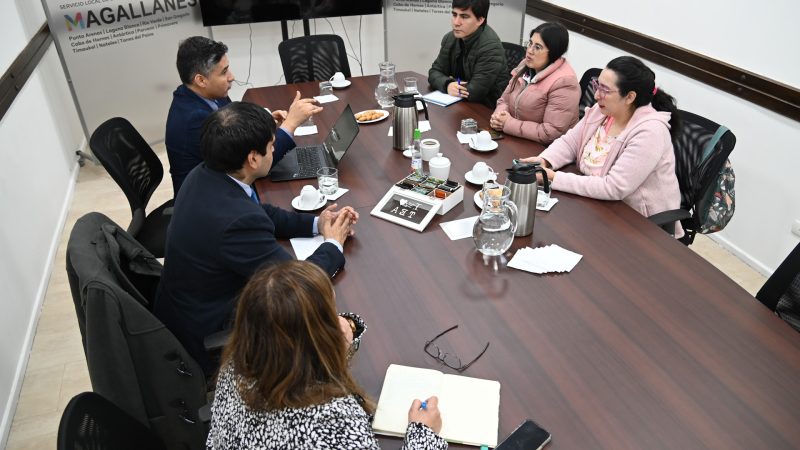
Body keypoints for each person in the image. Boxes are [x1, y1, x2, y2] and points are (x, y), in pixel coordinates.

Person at [155, 102, 358, 373]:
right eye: (272, 146)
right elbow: (293, 285)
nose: (275, 150)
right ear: (253, 159)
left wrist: (316, 224)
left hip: (187, 306)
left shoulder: (206, 175)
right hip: (210, 332)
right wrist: (333, 243)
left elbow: (260, 212)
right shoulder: (236, 222)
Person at [207, 261, 448, 450]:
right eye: (332, 314)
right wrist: (423, 433)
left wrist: (339, 338)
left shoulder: (237, 363)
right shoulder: (333, 422)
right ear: (318, 338)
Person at [522, 56, 683, 236]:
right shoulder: (603, 111)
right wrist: (545, 160)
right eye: (597, 85)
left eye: (605, 90)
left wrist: (552, 178)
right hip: (595, 205)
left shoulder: (650, 132)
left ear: (630, 97)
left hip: (636, 223)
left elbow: (613, 187)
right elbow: (571, 142)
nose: (596, 95)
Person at [165, 36, 322, 195]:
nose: (231, 77)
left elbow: (236, 122)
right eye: (224, 72)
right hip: (208, 197)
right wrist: (290, 125)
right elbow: (248, 165)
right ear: (201, 80)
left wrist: (265, 122)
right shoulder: (195, 119)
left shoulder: (204, 93)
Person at [490, 22, 580, 144]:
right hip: (516, 137)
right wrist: (498, 117)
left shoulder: (564, 82)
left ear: (553, 52)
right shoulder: (525, 65)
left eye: (537, 47)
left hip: (544, 148)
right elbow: (504, 100)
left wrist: (508, 124)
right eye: (530, 43)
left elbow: (551, 132)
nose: (529, 51)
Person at [427, 0, 509, 107]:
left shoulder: (491, 48)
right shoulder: (450, 38)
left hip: (486, 108)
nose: (456, 22)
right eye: (454, 15)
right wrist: (448, 84)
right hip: (459, 104)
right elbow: (434, 72)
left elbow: (475, 92)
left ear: (480, 20)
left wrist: (452, 85)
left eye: (464, 16)